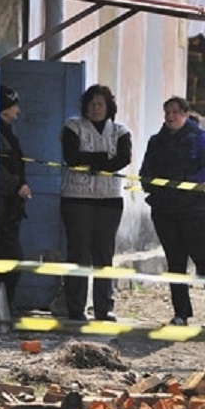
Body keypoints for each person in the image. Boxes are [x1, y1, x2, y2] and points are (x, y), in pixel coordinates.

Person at [139, 96, 205, 328]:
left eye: (175, 112)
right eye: (167, 112)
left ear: (186, 114)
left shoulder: (200, 139)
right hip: (165, 210)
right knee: (175, 263)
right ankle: (181, 314)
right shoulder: (156, 141)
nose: (170, 116)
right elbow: (145, 169)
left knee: (203, 261)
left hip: (196, 210)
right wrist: (149, 186)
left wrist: (188, 183)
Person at [60, 84, 132, 322]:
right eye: (91, 103)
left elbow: (123, 159)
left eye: (100, 103)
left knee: (104, 254)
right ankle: (76, 308)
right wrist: (104, 159)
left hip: (110, 200)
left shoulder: (120, 131)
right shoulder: (73, 127)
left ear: (109, 106)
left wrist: (91, 161)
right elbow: (71, 157)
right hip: (77, 198)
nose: (95, 108)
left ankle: (104, 308)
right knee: (78, 253)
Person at [0, 85, 32, 310]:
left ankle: (5, 308)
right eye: (14, 104)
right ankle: (4, 309)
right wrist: (16, 186)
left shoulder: (7, 132)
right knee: (11, 258)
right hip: (2, 208)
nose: (18, 109)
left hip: (10, 209)